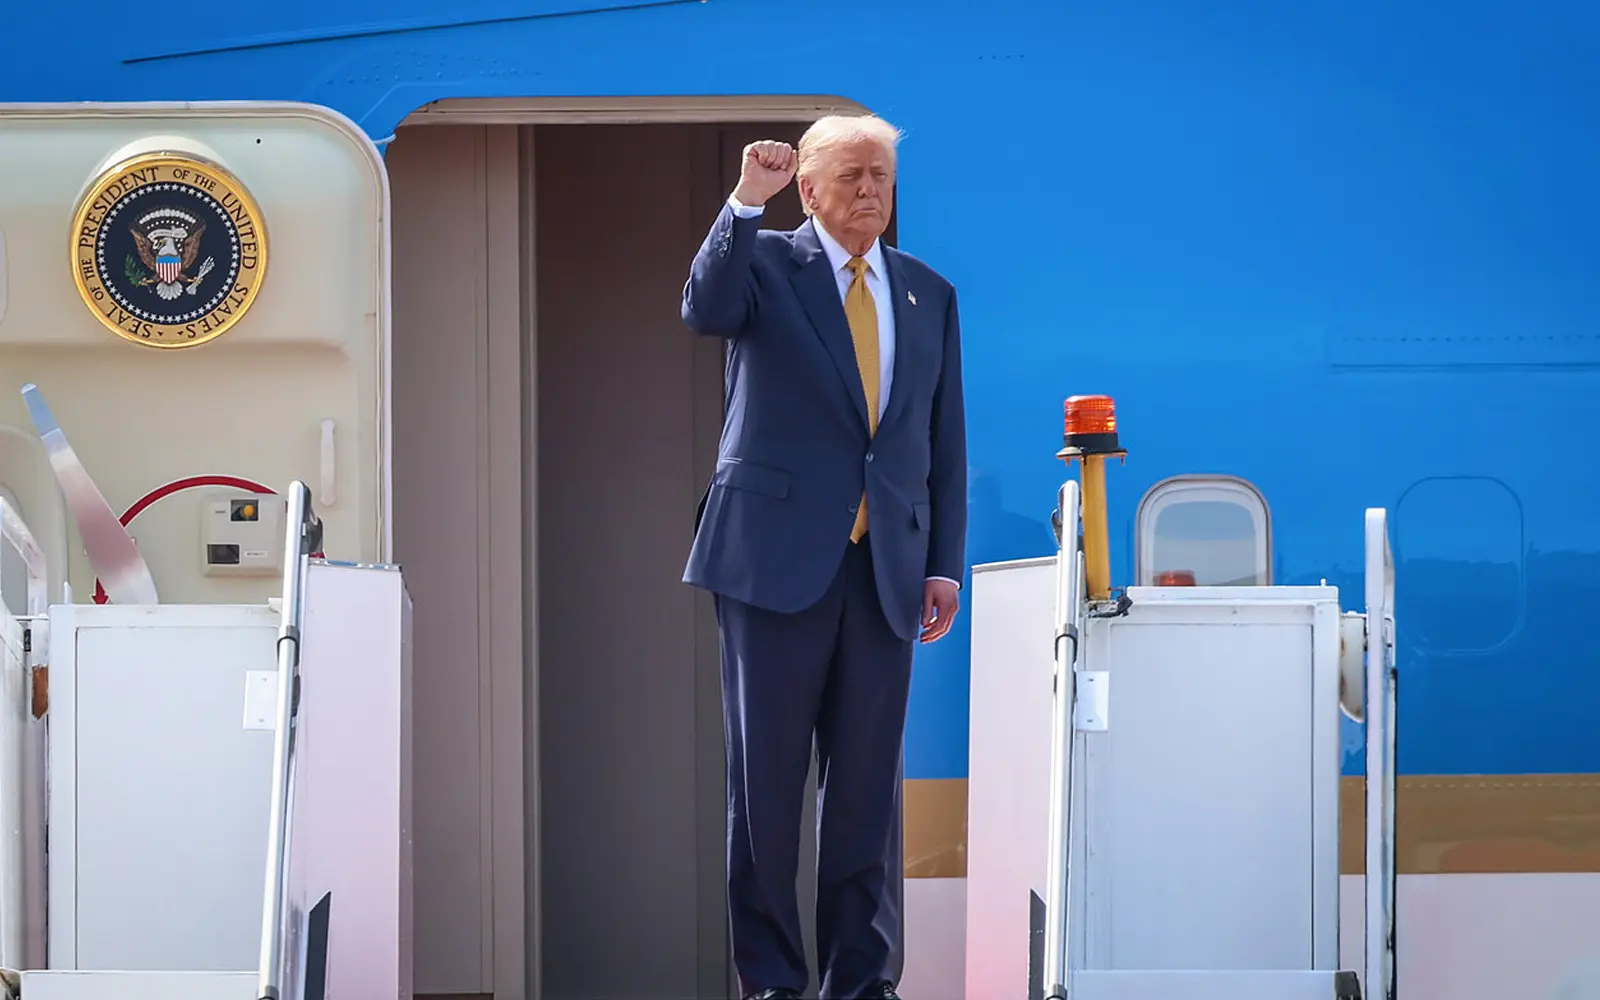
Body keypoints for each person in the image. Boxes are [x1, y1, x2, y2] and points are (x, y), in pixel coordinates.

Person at [679, 114, 968, 1000]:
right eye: (852, 176)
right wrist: (744, 202)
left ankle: (863, 981)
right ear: (808, 190)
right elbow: (704, 308)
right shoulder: (766, 264)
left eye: (881, 176)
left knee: (867, 794)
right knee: (765, 789)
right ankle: (772, 982)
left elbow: (941, 440)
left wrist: (943, 563)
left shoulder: (927, 292)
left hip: (884, 572)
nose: (871, 191)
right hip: (772, 565)